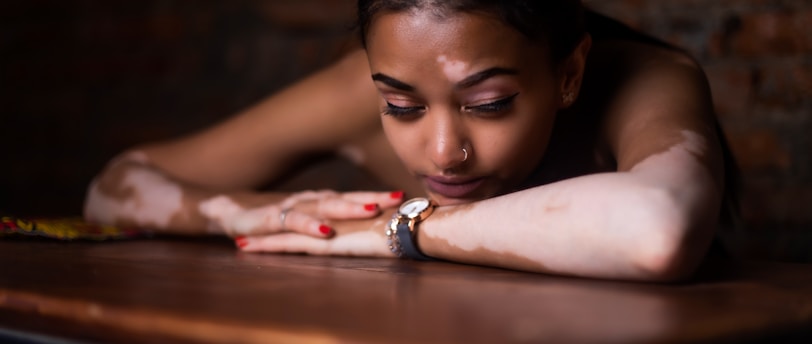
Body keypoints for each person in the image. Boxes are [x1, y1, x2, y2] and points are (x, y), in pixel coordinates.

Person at [84, 0, 739, 282]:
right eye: (400, 105)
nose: (444, 151)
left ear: (567, 73)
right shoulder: (352, 90)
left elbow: (659, 230)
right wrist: (260, 214)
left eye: (490, 104)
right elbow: (116, 187)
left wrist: (396, 230)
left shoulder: (645, 80)